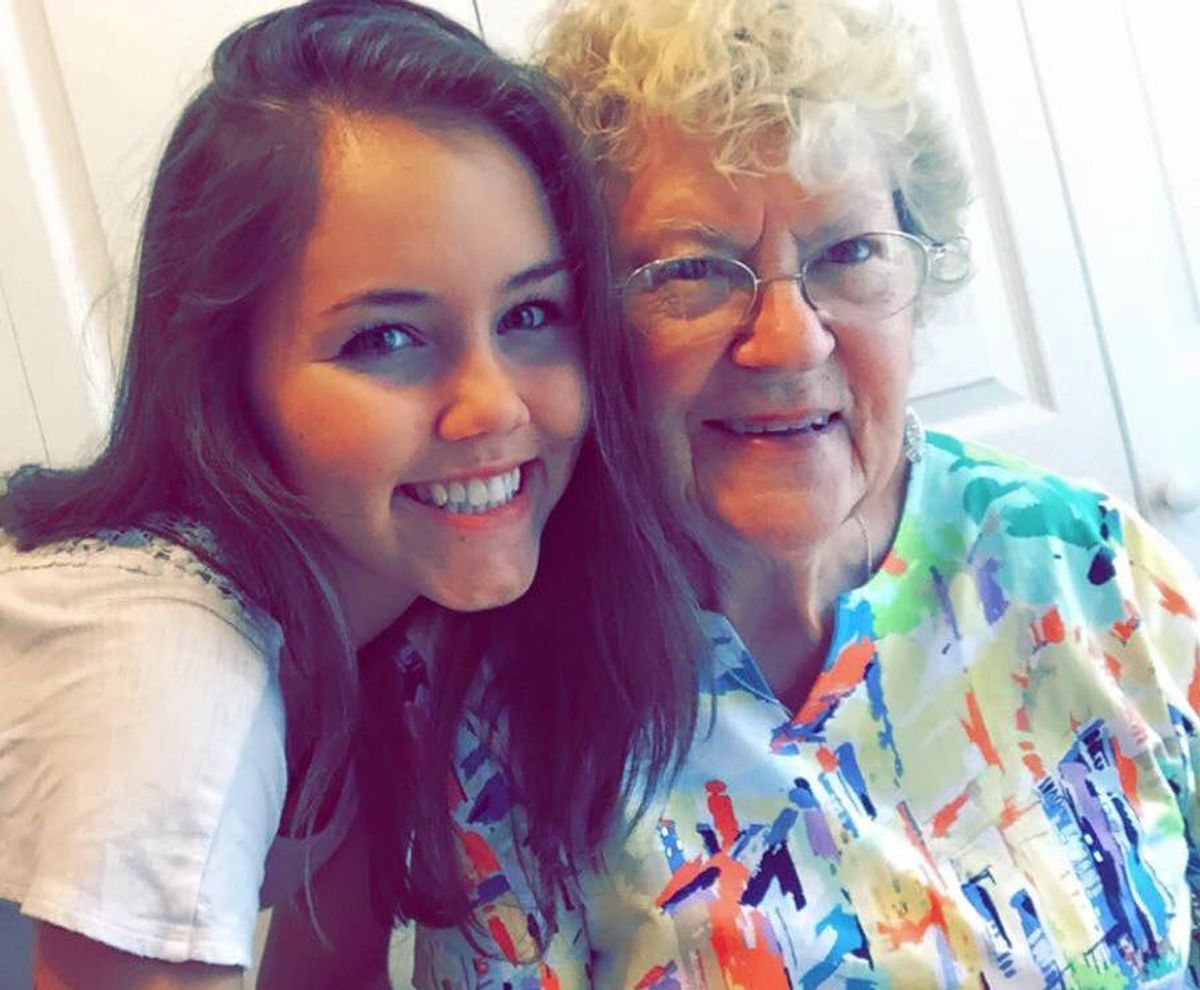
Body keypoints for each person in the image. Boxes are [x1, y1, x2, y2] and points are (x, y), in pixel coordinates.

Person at [411, 0, 1200, 986]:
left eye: (850, 252)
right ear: (581, 319)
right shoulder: (507, 706)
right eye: (693, 271)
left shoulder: (1088, 570)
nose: (789, 341)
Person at [0, 2, 701, 987]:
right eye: (385, 338)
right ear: (223, 370)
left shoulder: (374, 604)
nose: (493, 406)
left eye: (533, 313)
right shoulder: (172, 674)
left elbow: (326, 972)